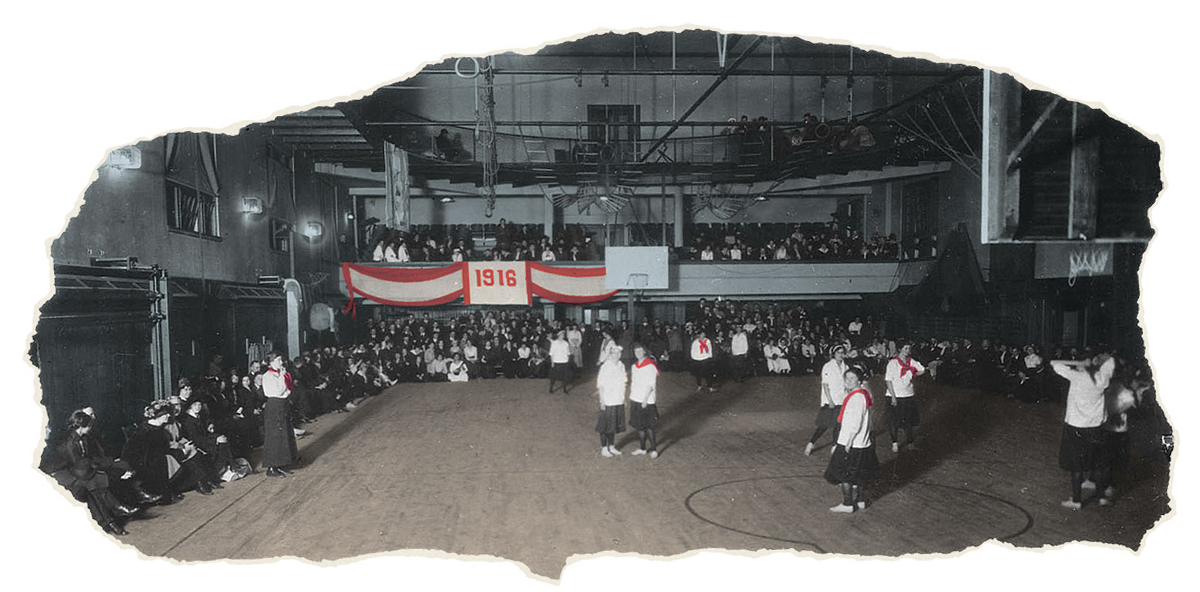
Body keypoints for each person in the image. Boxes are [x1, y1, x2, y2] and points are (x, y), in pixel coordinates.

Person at [1051, 352, 1116, 509]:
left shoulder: (1076, 377)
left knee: (1076, 465)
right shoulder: (1102, 378)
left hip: (1076, 427)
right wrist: (1091, 363)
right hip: (1096, 427)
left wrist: (1079, 363)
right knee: (1098, 463)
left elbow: (1054, 363)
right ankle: (1100, 497)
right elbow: (1110, 361)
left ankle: (1077, 501)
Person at [824, 366, 879, 513]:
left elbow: (856, 422)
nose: (848, 381)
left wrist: (848, 442)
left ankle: (848, 503)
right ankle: (860, 500)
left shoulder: (857, 397)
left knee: (844, 473)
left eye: (852, 378)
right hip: (861, 442)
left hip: (852, 442)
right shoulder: (862, 394)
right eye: (846, 378)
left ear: (859, 380)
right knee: (859, 473)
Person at [261, 351, 299, 477]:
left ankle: (281, 464)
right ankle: (271, 468)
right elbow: (278, 391)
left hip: (283, 405)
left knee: (284, 435)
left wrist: (283, 378)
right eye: (278, 360)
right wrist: (283, 377)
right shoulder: (267, 376)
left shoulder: (280, 374)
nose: (281, 362)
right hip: (274, 407)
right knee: (275, 436)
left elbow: (287, 390)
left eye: (281, 360)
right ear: (271, 362)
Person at [884, 342, 926, 453]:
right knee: (894, 422)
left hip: (907, 395)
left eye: (909, 348)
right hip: (895, 396)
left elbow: (922, 369)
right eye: (905, 348)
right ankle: (895, 443)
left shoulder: (911, 361)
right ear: (900, 349)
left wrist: (913, 372)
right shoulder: (893, 363)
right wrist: (893, 397)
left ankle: (910, 444)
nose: (908, 350)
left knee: (908, 422)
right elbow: (888, 380)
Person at [806, 345, 847, 456]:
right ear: (833, 354)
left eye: (843, 352)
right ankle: (811, 443)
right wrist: (830, 400)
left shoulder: (846, 367)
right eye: (838, 352)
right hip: (830, 401)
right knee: (824, 425)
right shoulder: (828, 366)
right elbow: (825, 385)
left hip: (841, 399)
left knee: (839, 424)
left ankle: (834, 446)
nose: (841, 355)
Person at [595, 345, 627, 458]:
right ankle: (604, 448)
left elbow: (623, 383)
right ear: (610, 354)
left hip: (618, 399)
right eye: (614, 353)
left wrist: (623, 399)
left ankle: (612, 446)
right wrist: (602, 401)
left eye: (618, 353)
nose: (616, 355)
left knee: (613, 425)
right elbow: (601, 385)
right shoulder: (605, 366)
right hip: (608, 400)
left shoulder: (621, 365)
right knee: (605, 425)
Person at [628, 345, 660, 458]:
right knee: (639, 426)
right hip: (636, 398)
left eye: (640, 351)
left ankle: (654, 449)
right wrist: (632, 397)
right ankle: (642, 448)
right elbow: (634, 383)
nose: (638, 353)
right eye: (636, 351)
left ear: (645, 352)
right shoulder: (634, 366)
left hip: (646, 400)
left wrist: (645, 399)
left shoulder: (650, 366)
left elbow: (651, 384)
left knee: (648, 426)